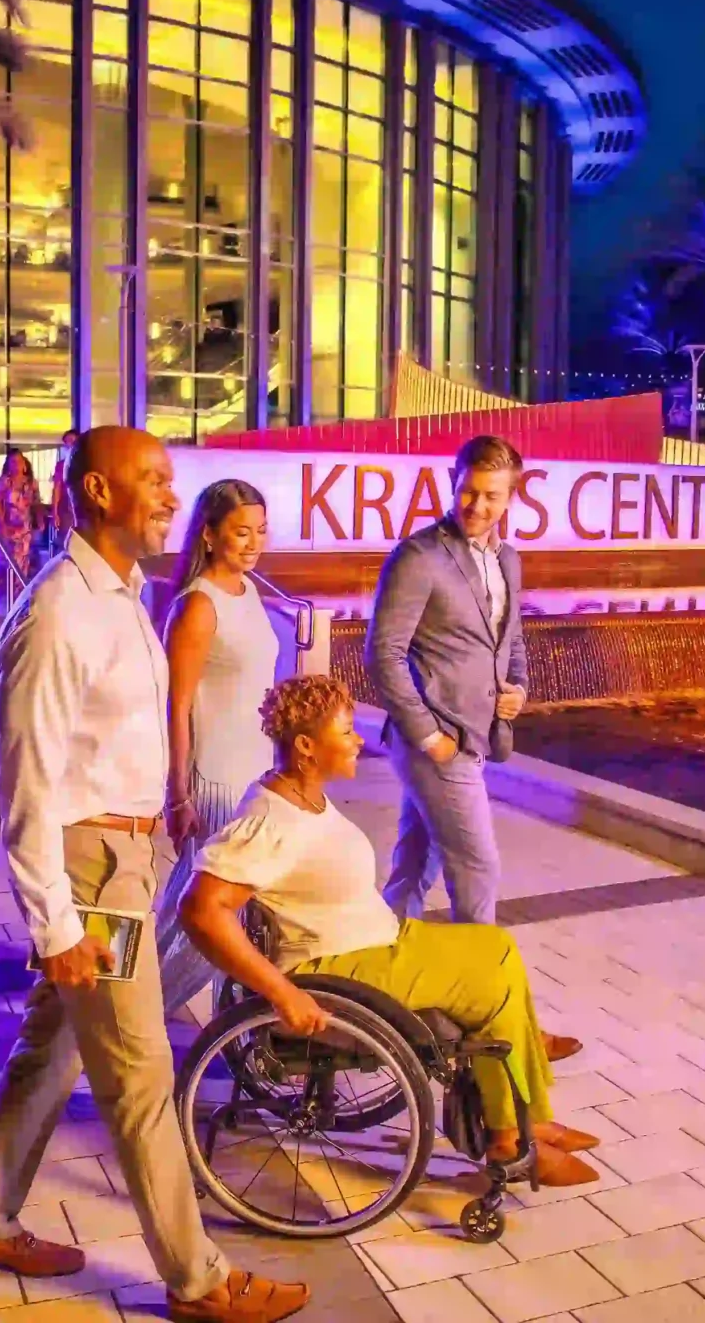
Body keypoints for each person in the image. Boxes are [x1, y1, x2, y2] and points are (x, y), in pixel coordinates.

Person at [0, 427, 308, 1323]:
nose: (168, 496)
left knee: (51, 1048)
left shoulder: (122, 596)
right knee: (142, 1075)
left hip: (126, 860)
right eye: (151, 479)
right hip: (88, 872)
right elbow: (24, 784)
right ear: (98, 491)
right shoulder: (59, 611)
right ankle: (200, 1280)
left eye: (170, 480)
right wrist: (56, 927)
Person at [179, 674, 599, 1187]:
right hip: (338, 965)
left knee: (497, 945)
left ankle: (528, 1115)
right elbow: (199, 910)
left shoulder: (302, 793)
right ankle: (508, 1135)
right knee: (489, 979)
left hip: (372, 941)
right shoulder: (271, 820)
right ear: (307, 746)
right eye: (348, 731)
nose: (359, 740)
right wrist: (280, 992)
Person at [368, 434, 528, 925]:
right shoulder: (418, 556)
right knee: (478, 869)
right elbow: (382, 652)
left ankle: (378, 966)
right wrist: (429, 737)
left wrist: (518, 688)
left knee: (416, 866)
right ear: (453, 482)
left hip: (475, 737)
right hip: (437, 743)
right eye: (468, 491)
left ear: (511, 496)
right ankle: (477, 990)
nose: (477, 505)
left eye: (491, 495)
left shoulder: (508, 559)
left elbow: (512, 638)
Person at [157, 479, 277, 1012]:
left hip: (254, 771)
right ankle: (123, 1017)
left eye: (261, 532)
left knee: (203, 912)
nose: (253, 543)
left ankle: (120, 1004)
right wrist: (177, 794)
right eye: (241, 533)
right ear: (209, 535)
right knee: (209, 920)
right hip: (217, 780)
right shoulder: (198, 606)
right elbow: (175, 706)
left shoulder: (248, 590)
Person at [0, 448, 39, 582]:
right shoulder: (5, 482)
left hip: (24, 529)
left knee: (22, 562)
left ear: (24, 464)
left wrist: (40, 520)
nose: (16, 465)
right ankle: (4, 593)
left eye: (19, 461)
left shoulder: (31, 483)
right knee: (6, 563)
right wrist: (2, 525)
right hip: (7, 527)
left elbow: (36, 503)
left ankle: (18, 594)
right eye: (13, 462)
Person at [45, 428, 79, 549]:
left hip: (83, 508)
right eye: (66, 442)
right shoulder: (61, 465)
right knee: (66, 541)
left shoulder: (86, 462)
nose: (69, 444)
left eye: (72, 440)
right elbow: (57, 488)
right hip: (66, 509)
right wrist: (55, 512)